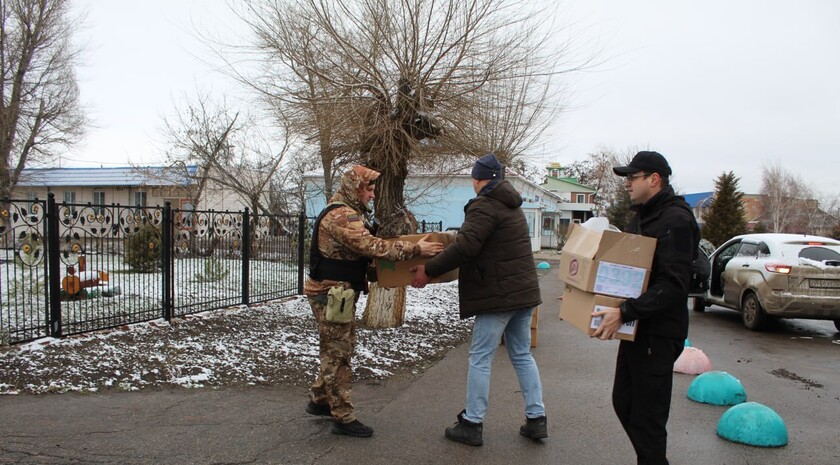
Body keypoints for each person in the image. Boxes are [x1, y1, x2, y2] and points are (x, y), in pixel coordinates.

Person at [411, 153, 545, 446]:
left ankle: (472, 423)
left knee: (480, 357)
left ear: (478, 179)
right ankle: (536, 419)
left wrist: (429, 271)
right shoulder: (512, 205)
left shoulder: (484, 206)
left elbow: (466, 247)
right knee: (521, 355)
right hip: (522, 292)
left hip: (498, 296)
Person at [304, 165, 443, 438]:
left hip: (337, 293)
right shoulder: (343, 216)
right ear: (355, 188)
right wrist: (417, 249)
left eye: (372, 189)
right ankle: (343, 418)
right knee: (338, 353)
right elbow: (375, 247)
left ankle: (319, 400)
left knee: (338, 348)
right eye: (368, 189)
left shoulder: (346, 211)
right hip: (332, 294)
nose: (372, 194)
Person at [592, 151, 700, 465]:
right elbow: (627, 271)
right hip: (637, 329)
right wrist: (593, 294)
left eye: (632, 177)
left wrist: (624, 312)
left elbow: (674, 285)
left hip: (659, 333)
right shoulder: (641, 217)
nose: (627, 183)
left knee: (648, 420)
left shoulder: (676, 220)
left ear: (654, 179)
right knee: (624, 402)